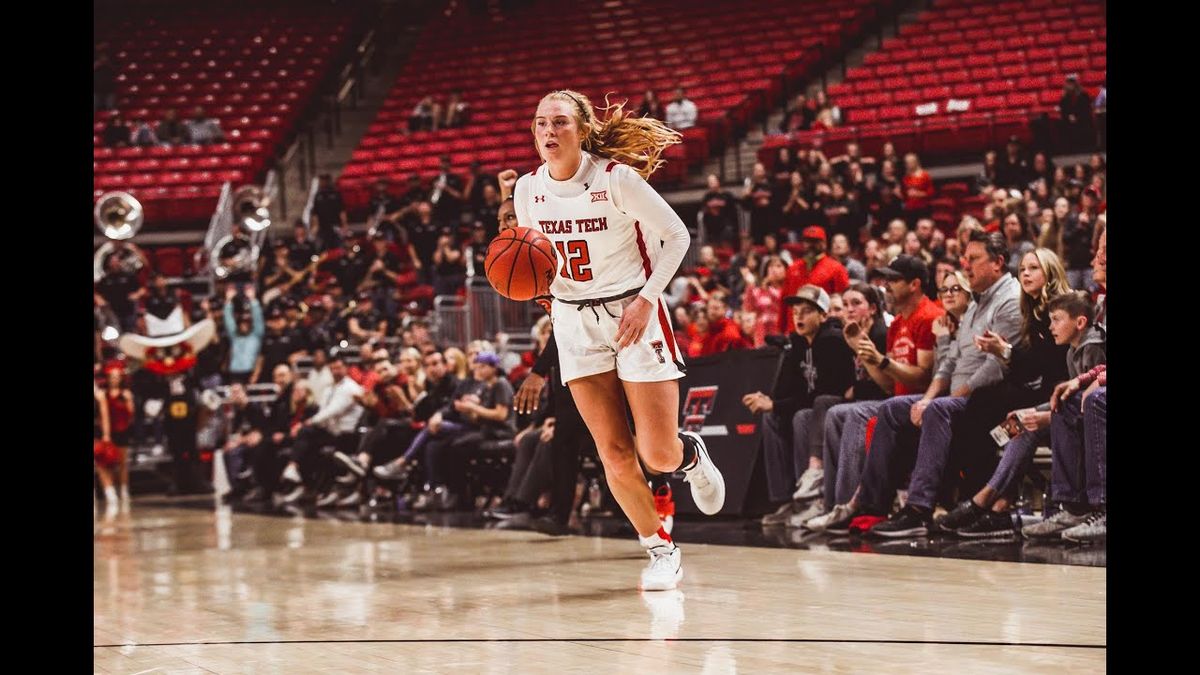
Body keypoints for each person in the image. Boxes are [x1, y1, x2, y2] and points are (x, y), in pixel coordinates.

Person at [512, 89, 725, 591]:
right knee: (611, 452)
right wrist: (541, 294)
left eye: (559, 122)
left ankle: (687, 455)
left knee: (657, 455)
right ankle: (660, 548)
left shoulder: (615, 179)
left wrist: (649, 298)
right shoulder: (527, 190)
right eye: (540, 123)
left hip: (633, 311)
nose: (548, 132)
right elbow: (537, 258)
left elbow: (677, 236)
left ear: (582, 129)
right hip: (573, 322)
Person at [746, 286, 854, 525]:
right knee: (771, 417)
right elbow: (791, 390)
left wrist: (774, 404)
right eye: (796, 312)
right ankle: (787, 498)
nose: (799, 317)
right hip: (811, 405)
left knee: (801, 416)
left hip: (833, 406)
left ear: (823, 316)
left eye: (806, 311)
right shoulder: (797, 344)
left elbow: (824, 393)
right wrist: (770, 402)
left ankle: (812, 497)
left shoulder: (833, 341)